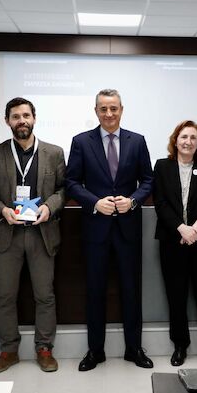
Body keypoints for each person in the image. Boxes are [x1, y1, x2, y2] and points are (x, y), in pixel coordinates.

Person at [65, 89, 154, 371]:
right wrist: (94, 202)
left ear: (121, 110)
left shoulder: (137, 141)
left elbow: (148, 180)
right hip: (95, 229)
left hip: (128, 228)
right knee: (95, 291)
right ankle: (95, 351)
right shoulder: (81, 142)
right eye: (103, 109)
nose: (109, 113)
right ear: (96, 111)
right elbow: (71, 182)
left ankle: (134, 349)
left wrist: (133, 200)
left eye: (113, 108)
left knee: (131, 290)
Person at [0, 97, 66, 373]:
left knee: (45, 295)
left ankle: (44, 349)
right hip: (8, 234)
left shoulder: (54, 152)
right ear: (7, 121)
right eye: (15, 116)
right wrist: (2, 210)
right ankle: (8, 351)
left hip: (42, 234)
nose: (21, 121)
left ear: (34, 118)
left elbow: (63, 190)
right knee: (6, 296)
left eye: (26, 115)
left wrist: (48, 207)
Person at [153, 120, 197, 367]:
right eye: (184, 137)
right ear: (176, 140)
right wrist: (181, 228)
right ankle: (180, 345)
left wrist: (195, 228)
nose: (188, 142)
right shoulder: (162, 166)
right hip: (173, 241)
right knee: (176, 296)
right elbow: (160, 202)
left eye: (193, 138)